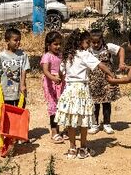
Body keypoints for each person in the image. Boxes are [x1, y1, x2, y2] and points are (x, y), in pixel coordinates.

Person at [54, 29, 115, 159]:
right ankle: (82, 148)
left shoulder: (67, 55)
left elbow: (61, 71)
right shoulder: (84, 55)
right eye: (87, 42)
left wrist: (60, 79)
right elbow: (101, 65)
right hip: (81, 90)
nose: (89, 45)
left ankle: (72, 148)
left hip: (69, 91)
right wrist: (112, 75)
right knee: (84, 120)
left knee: (70, 121)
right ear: (81, 42)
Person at [87, 28, 121, 135]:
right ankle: (95, 124)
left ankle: (107, 124)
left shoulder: (108, 47)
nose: (96, 44)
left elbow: (121, 50)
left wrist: (121, 63)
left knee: (106, 102)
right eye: (93, 42)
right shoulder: (88, 50)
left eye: (98, 42)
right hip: (93, 81)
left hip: (107, 80)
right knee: (95, 103)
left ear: (102, 40)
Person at [0, 27, 30, 109]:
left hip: (19, 90)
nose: (18, 42)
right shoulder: (1, 56)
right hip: (6, 90)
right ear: (7, 41)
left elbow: (24, 70)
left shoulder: (23, 55)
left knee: (20, 109)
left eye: (19, 40)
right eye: (15, 40)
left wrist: (23, 84)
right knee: (7, 111)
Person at [40, 30, 66, 143]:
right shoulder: (47, 56)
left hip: (61, 83)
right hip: (51, 84)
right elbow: (46, 71)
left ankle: (60, 131)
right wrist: (54, 78)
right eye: (55, 44)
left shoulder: (61, 55)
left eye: (59, 44)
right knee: (53, 107)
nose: (58, 46)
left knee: (61, 107)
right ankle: (54, 132)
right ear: (48, 45)